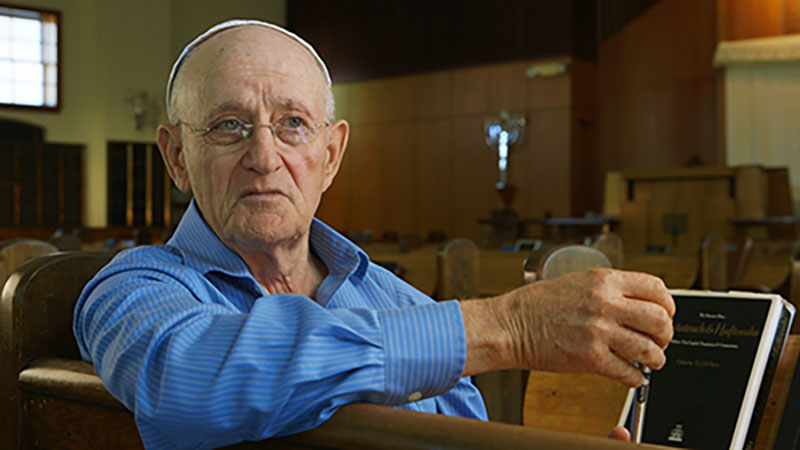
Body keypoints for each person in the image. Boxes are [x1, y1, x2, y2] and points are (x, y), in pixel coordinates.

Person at [74, 20, 674, 449]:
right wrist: (508, 327)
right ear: (176, 155)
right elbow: (190, 383)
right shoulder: (132, 290)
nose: (264, 155)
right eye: (229, 126)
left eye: (292, 125)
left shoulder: (403, 304)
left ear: (331, 154)